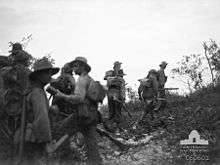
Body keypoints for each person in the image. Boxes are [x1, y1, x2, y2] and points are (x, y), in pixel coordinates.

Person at [55, 56, 103, 165]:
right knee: (92, 145)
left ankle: (66, 161)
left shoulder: (81, 79)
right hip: (91, 115)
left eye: (75, 65)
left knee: (60, 132)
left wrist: (62, 96)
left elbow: (79, 98)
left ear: (82, 66)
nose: (73, 68)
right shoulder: (89, 79)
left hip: (82, 115)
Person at [20, 57, 59, 164]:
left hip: (29, 136)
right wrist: (46, 141)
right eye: (47, 73)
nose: (50, 76)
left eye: (50, 73)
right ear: (38, 75)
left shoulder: (32, 91)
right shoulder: (37, 93)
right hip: (36, 138)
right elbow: (41, 119)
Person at [104, 61, 126, 132]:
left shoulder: (110, 76)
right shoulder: (121, 80)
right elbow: (122, 90)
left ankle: (111, 126)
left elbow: (107, 82)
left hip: (110, 93)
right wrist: (123, 98)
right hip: (116, 93)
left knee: (112, 110)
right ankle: (118, 128)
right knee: (118, 110)